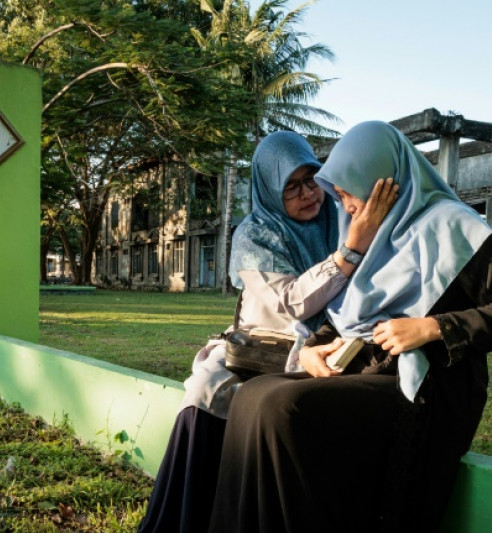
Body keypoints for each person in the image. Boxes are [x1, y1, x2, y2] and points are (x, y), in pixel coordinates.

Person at [207, 121, 492, 532]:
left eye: (349, 193)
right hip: (365, 369)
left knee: (283, 407)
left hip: (426, 383)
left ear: (383, 182)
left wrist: (433, 328)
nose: (346, 208)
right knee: (253, 395)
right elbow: (347, 311)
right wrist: (311, 350)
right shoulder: (374, 234)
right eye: (339, 196)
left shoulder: (452, 225)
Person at [138, 131, 398, 533]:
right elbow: (293, 301)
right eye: (290, 187)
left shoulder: (340, 217)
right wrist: (350, 250)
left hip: (331, 340)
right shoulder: (255, 234)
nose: (307, 194)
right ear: (270, 190)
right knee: (207, 390)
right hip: (264, 344)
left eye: (311, 179)